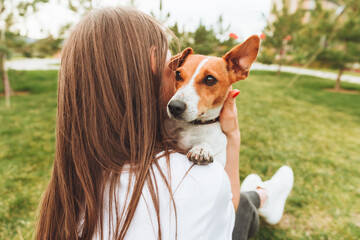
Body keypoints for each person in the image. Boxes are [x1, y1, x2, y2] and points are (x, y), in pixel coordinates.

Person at [35, 7, 294, 240]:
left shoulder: (78, 174)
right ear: (151, 63)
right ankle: (264, 194)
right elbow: (230, 209)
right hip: (223, 212)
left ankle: (261, 191)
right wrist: (233, 136)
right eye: (177, 71)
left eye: (208, 80)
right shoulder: (201, 181)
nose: (181, 89)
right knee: (245, 205)